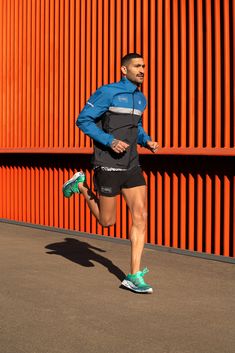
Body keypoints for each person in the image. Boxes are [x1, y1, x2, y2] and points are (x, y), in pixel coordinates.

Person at [62, 53, 159, 293]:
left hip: (132, 163)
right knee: (107, 222)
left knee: (141, 215)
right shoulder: (108, 92)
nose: (142, 70)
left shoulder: (141, 98)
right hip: (107, 162)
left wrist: (147, 141)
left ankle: (134, 275)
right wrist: (109, 141)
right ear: (123, 69)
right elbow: (83, 120)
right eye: (137, 66)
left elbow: (136, 128)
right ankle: (82, 186)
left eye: (144, 66)